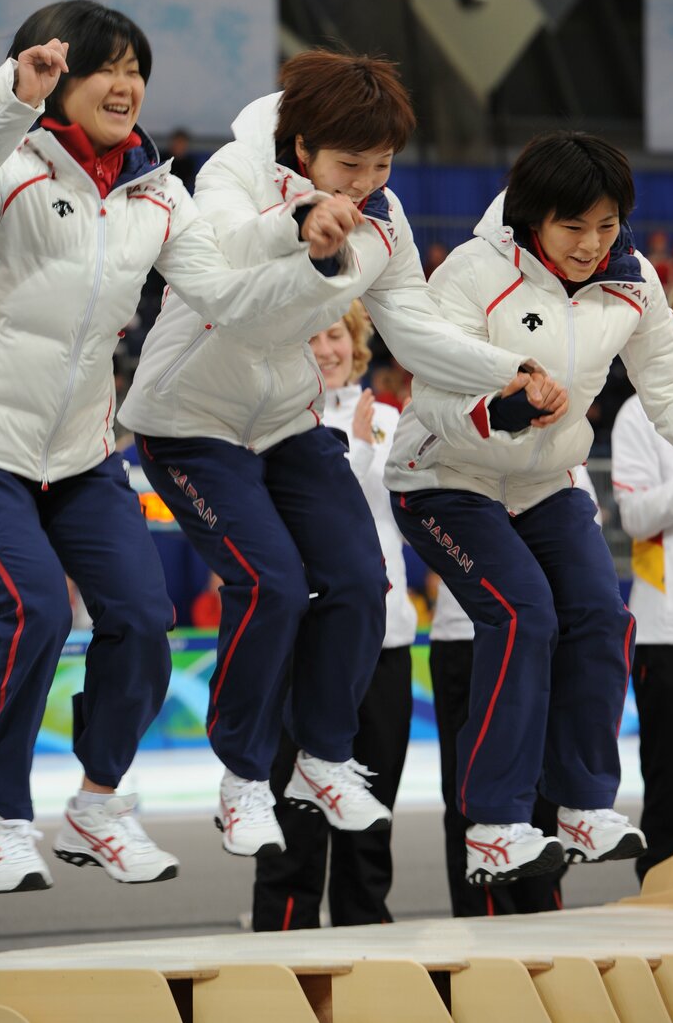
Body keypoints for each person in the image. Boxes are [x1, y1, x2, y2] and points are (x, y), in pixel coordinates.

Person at [0, 0, 354, 894]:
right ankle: (4, 816)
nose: (125, 84)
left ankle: (98, 800)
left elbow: (222, 287)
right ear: (55, 76)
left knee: (145, 618)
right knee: (37, 610)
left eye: (135, 67)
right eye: (102, 67)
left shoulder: (156, 189)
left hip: (80, 454)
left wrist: (294, 229)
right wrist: (10, 95)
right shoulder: (9, 163)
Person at [119, 48, 560, 859]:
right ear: (301, 153)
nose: (365, 182)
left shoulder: (382, 221)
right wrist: (299, 232)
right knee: (272, 582)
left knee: (361, 579)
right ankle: (244, 776)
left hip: (286, 419)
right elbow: (218, 272)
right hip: (188, 419)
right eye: (348, 166)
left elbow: (416, 329)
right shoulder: (233, 176)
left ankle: (321, 758)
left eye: (382, 164)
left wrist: (513, 371)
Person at [386, 129, 673, 887]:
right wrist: (507, 408)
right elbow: (435, 389)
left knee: (597, 612)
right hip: (444, 474)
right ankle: (494, 824)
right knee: (522, 613)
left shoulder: (632, 280)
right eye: (572, 225)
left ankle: (583, 804)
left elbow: (670, 387)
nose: (591, 244)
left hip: (546, 480)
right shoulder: (472, 273)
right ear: (531, 215)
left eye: (607, 224)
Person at [252, 302, 416, 929]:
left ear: (357, 342)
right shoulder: (273, 424)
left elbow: (399, 511)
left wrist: (374, 446)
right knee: (293, 821)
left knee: (371, 820)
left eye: (336, 334)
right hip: (303, 642)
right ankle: (280, 956)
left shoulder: (395, 418)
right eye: (311, 337)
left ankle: (367, 949)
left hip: (386, 640)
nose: (326, 349)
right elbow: (304, 512)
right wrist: (358, 451)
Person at [429, 463, 600, 915]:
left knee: (544, 795)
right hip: (467, 638)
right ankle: (482, 941)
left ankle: (544, 922)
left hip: (543, 643)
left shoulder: (567, 458)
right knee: (474, 797)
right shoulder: (456, 435)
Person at [611, 282, 673, 884]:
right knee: (669, 783)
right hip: (667, 629)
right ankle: (660, 906)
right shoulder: (639, 414)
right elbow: (635, 516)